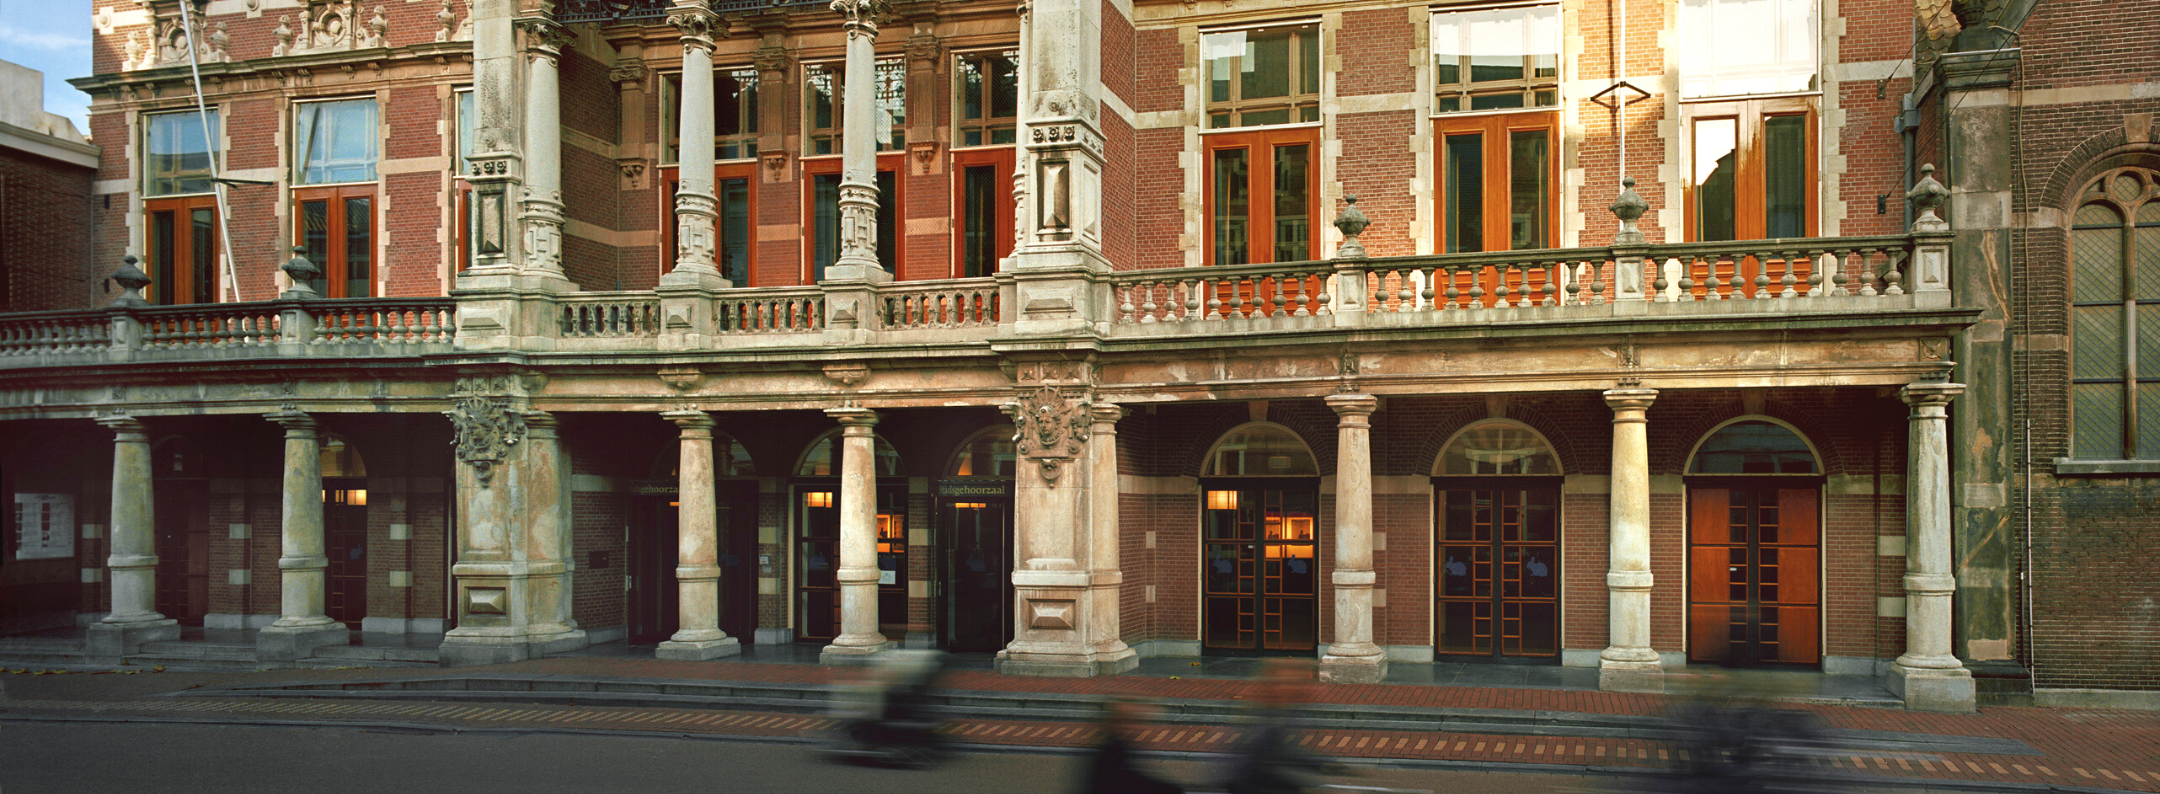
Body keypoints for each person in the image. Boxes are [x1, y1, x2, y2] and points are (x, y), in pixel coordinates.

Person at [1219, 659, 1336, 794]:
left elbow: (1286, 754)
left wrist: (1322, 765)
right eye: (1292, 684)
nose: (1304, 689)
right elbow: (1254, 768)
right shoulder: (1263, 720)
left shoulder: (1285, 715)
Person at [1075, 698, 1184, 794]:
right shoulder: (1112, 751)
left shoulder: (1118, 746)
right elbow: (1128, 781)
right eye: (1126, 721)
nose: (1132, 726)